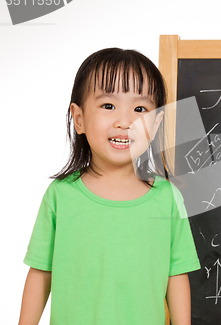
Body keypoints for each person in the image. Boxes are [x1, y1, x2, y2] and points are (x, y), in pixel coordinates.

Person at [18, 48, 200, 325]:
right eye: (108, 105)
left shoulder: (167, 199)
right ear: (78, 118)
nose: (124, 121)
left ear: (156, 123)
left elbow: (176, 275)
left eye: (140, 109)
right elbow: (41, 273)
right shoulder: (61, 195)